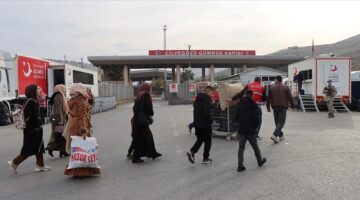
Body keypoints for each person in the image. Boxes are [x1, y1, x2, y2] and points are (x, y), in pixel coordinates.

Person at [8, 84, 51, 173]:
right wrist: (38, 126)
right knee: (28, 149)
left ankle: (40, 165)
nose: (40, 92)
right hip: (32, 130)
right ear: (33, 91)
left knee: (39, 147)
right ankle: (14, 162)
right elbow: (33, 117)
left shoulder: (31, 100)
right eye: (38, 90)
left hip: (33, 129)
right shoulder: (31, 102)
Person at [64, 83, 100, 176]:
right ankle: (82, 170)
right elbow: (82, 116)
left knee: (76, 148)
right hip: (80, 125)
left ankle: (75, 169)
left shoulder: (71, 100)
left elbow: (70, 112)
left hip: (73, 124)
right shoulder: (81, 100)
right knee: (84, 148)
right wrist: (83, 130)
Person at [235, 90, 267, 172]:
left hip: (241, 129)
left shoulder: (239, 104)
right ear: (252, 96)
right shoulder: (253, 105)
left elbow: (236, 117)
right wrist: (256, 127)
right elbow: (256, 119)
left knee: (241, 148)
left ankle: (240, 165)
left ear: (245, 95)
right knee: (255, 146)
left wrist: (239, 125)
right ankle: (259, 161)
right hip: (250, 129)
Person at [130, 82, 162, 163]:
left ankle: (152, 153)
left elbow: (134, 108)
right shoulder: (146, 95)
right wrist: (149, 114)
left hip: (136, 120)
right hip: (142, 120)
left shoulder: (138, 95)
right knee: (146, 137)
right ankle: (136, 156)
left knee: (140, 137)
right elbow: (149, 109)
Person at [186, 86, 215, 164]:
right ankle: (205, 158)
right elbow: (206, 113)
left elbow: (199, 110)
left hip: (197, 124)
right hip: (205, 125)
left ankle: (193, 151)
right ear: (208, 92)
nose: (212, 95)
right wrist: (211, 120)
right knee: (208, 141)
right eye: (212, 93)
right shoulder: (207, 99)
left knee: (200, 139)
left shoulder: (198, 99)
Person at [267, 76, 294, 143]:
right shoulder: (286, 87)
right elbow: (290, 97)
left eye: (274, 79)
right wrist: (293, 106)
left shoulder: (271, 87)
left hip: (274, 107)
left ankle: (280, 135)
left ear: (276, 80)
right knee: (281, 122)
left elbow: (268, 98)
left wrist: (268, 107)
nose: (274, 81)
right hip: (283, 107)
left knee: (277, 122)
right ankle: (275, 135)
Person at [46, 84, 70, 158]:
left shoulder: (60, 95)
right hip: (59, 119)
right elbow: (57, 109)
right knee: (58, 135)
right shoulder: (59, 96)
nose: (65, 90)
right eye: (64, 88)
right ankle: (50, 148)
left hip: (60, 118)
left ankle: (63, 151)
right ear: (60, 89)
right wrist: (59, 120)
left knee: (62, 135)